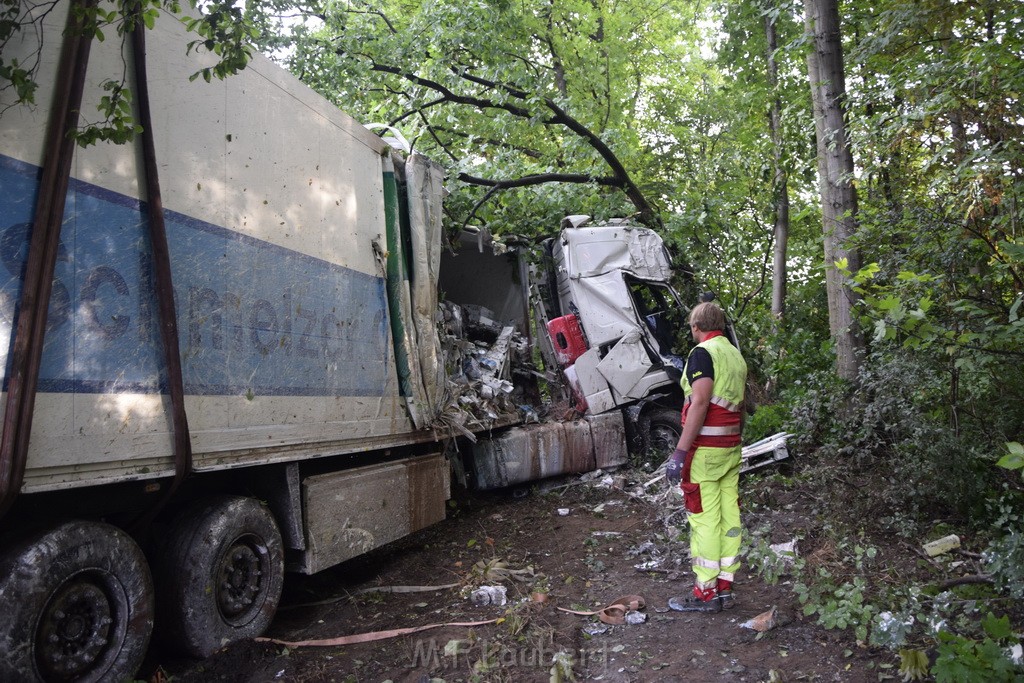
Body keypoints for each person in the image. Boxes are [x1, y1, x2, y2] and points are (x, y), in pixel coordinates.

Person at [665, 301, 747, 613]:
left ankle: (705, 593)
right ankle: (725, 587)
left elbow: (699, 402)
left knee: (705, 520)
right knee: (730, 516)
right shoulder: (735, 355)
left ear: (696, 327)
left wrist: (680, 453)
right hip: (730, 449)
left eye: (691, 328)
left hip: (705, 453)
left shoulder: (703, 353)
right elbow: (739, 408)